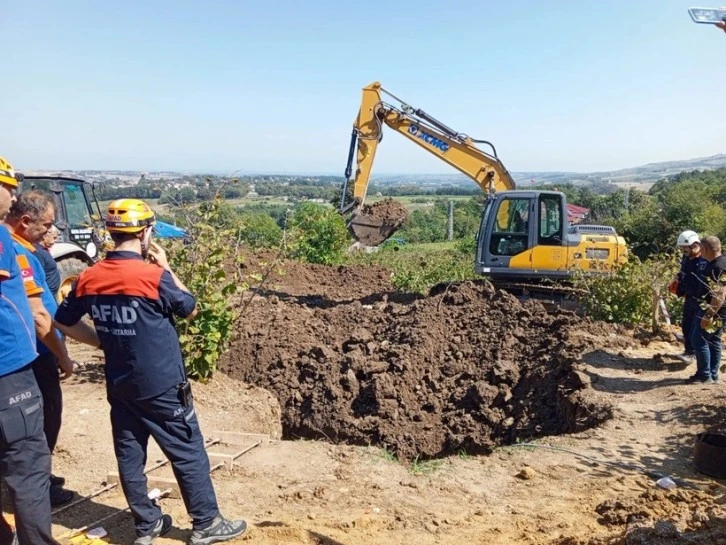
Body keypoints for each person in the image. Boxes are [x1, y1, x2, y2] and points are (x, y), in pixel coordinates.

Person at [55, 199, 246, 545]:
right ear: (145, 233)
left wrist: (104, 342)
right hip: (162, 385)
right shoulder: (153, 277)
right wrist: (168, 268)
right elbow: (190, 309)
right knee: (187, 451)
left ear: (112, 234)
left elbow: (63, 321)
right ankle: (207, 523)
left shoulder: (88, 277)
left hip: (121, 384)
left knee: (129, 455)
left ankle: (147, 524)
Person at [4, 191, 80, 505]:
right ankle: (38, 487)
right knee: (42, 421)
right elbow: (39, 315)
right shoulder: (17, 252)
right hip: (36, 352)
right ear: (24, 222)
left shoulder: (26, 247)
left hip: (35, 349)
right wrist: (62, 354)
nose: (49, 231)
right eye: (45, 225)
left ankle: (40, 477)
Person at [0, 157, 60, 545]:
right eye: (8, 186)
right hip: (9, 373)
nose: (12, 196)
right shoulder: (4, 239)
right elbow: (39, 313)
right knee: (28, 466)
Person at [688, 235, 726, 384]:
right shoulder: (719, 263)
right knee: (713, 341)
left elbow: (720, 294)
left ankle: (704, 375)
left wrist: (709, 314)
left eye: (701, 248)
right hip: (717, 310)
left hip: (714, 310)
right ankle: (712, 374)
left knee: (698, 339)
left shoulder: (718, 267)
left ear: (705, 249)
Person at [668, 230, 708, 362]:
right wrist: (677, 281)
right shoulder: (686, 259)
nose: (684, 250)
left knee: (696, 329)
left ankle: (694, 353)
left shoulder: (705, 260)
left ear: (695, 245)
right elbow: (682, 273)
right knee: (686, 325)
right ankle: (689, 351)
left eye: (686, 247)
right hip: (689, 298)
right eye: (682, 248)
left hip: (701, 300)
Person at [34, 224, 61, 299]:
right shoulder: (39, 252)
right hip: (46, 295)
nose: (54, 241)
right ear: (45, 235)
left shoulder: (43, 251)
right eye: (54, 238)